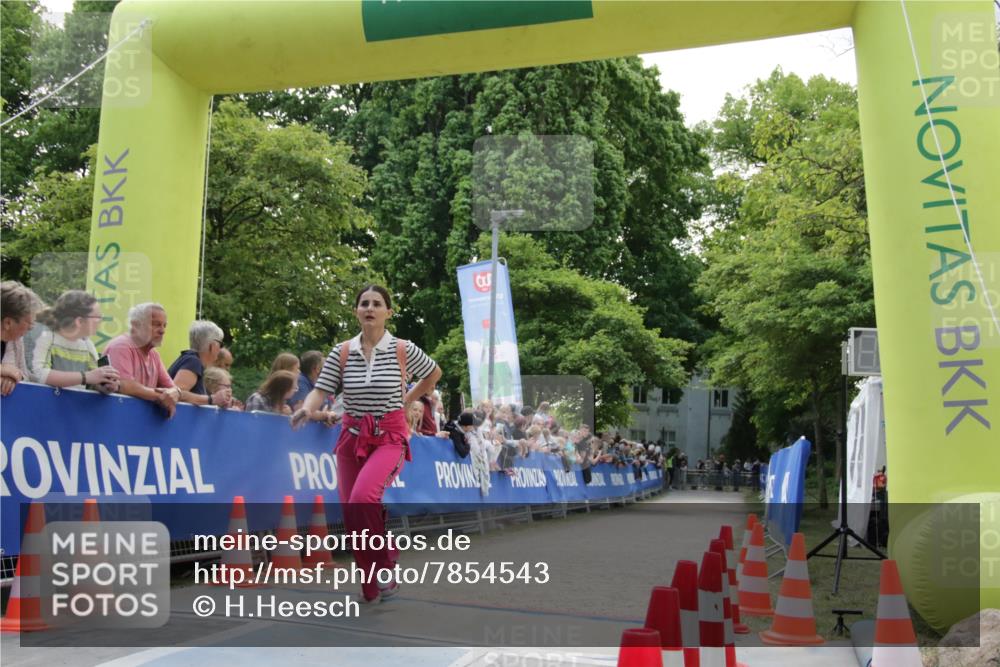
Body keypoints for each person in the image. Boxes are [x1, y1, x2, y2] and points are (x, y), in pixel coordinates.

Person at [291, 284, 441, 603]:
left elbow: (434, 373)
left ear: (388, 311)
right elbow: (321, 389)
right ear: (356, 311)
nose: (369, 308)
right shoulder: (342, 351)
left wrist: (407, 398)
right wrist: (307, 406)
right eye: (364, 304)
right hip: (351, 436)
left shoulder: (403, 348)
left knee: (363, 498)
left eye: (376, 303)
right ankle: (371, 583)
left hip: (389, 437)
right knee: (352, 513)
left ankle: (385, 564)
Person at [30, 290, 120, 393]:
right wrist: (85, 377)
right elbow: (40, 375)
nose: (100, 321)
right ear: (79, 321)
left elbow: (92, 381)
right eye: (98, 317)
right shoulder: (47, 337)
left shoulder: (87, 344)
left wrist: (105, 385)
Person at [105, 302, 182, 418]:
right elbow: (125, 386)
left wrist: (176, 393)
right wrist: (164, 396)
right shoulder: (121, 346)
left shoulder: (154, 355)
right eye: (156, 324)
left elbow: (171, 388)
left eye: (164, 325)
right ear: (135, 325)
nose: (162, 331)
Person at [167, 320, 232, 408]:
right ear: (212, 346)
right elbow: (176, 393)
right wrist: (211, 399)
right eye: (220, 344)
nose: (220, 349)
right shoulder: (193, 361)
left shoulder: (190, 359)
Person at [1, 281, 44, 396]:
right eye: (29, 325)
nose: (30, 329)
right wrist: (3, 369)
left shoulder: (15, 342)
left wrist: (13, 377)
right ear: (8, 323)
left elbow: (22, 375)